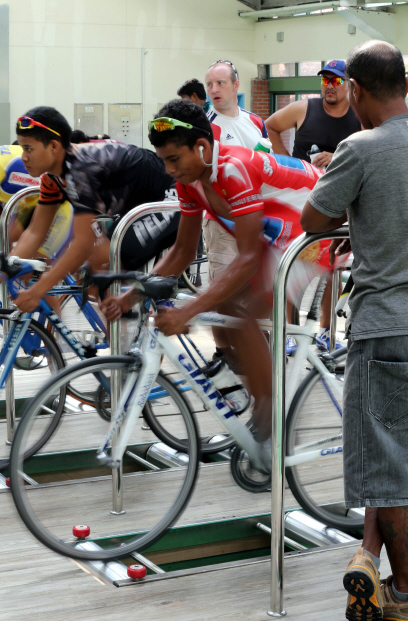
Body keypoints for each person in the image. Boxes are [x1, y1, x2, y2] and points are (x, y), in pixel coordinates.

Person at [100, 99, 324, 460]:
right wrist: (132, 295)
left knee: (246, 312)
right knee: (224, 302)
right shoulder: (192, 179)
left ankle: (274, 420)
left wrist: (187, 314)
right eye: (164, 161)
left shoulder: (233, 168)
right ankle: (260, 397)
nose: (169, 170)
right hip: (281, 233)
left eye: (174, 159)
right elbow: (183, 251)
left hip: (318, 229)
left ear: (202, 147)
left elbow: (249, 259)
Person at [301, 41, 408, 621]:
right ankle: (374, 564)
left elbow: (312, 219)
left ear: (358, 93)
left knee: (387, 465)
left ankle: (405, 592)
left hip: (385, 328)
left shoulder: (360, 147)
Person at [9, 106, 180, 313]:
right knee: (95, 276)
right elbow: (35, 232)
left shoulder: (81, 170)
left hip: (170, 195)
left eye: (28, 149)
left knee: (106, 262)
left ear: (53, 146)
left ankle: (133, 324)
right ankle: (122, 332)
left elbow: (83, 244)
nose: (23, 157)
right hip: (134, 205)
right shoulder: (51, 178)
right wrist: (6, 271)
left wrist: (38, 289)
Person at [266, 60, 361, 352]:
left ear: (348, 85)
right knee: (293, 264)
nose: (329, 87)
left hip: (337, 200)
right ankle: (289, 331)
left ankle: (325, 330)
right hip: (300, 199)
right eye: (325, 80)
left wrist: (337, 157)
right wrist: (288, 164)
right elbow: (270, 125)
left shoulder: (358, 116)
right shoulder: (304, 108)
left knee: (329, 265)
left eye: (336, 81)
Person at [204, 60, 269, 366]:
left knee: (255, 288)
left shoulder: (255, 121)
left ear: (235, 85)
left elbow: (268, 165)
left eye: (220, 83)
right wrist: (228, 215)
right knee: (222, 290)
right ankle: (223, 353)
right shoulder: (207, 127)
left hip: (255, 218)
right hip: (221, 221)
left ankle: (254, 348)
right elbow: (205, 182)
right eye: (210, 85)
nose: (215, 90)